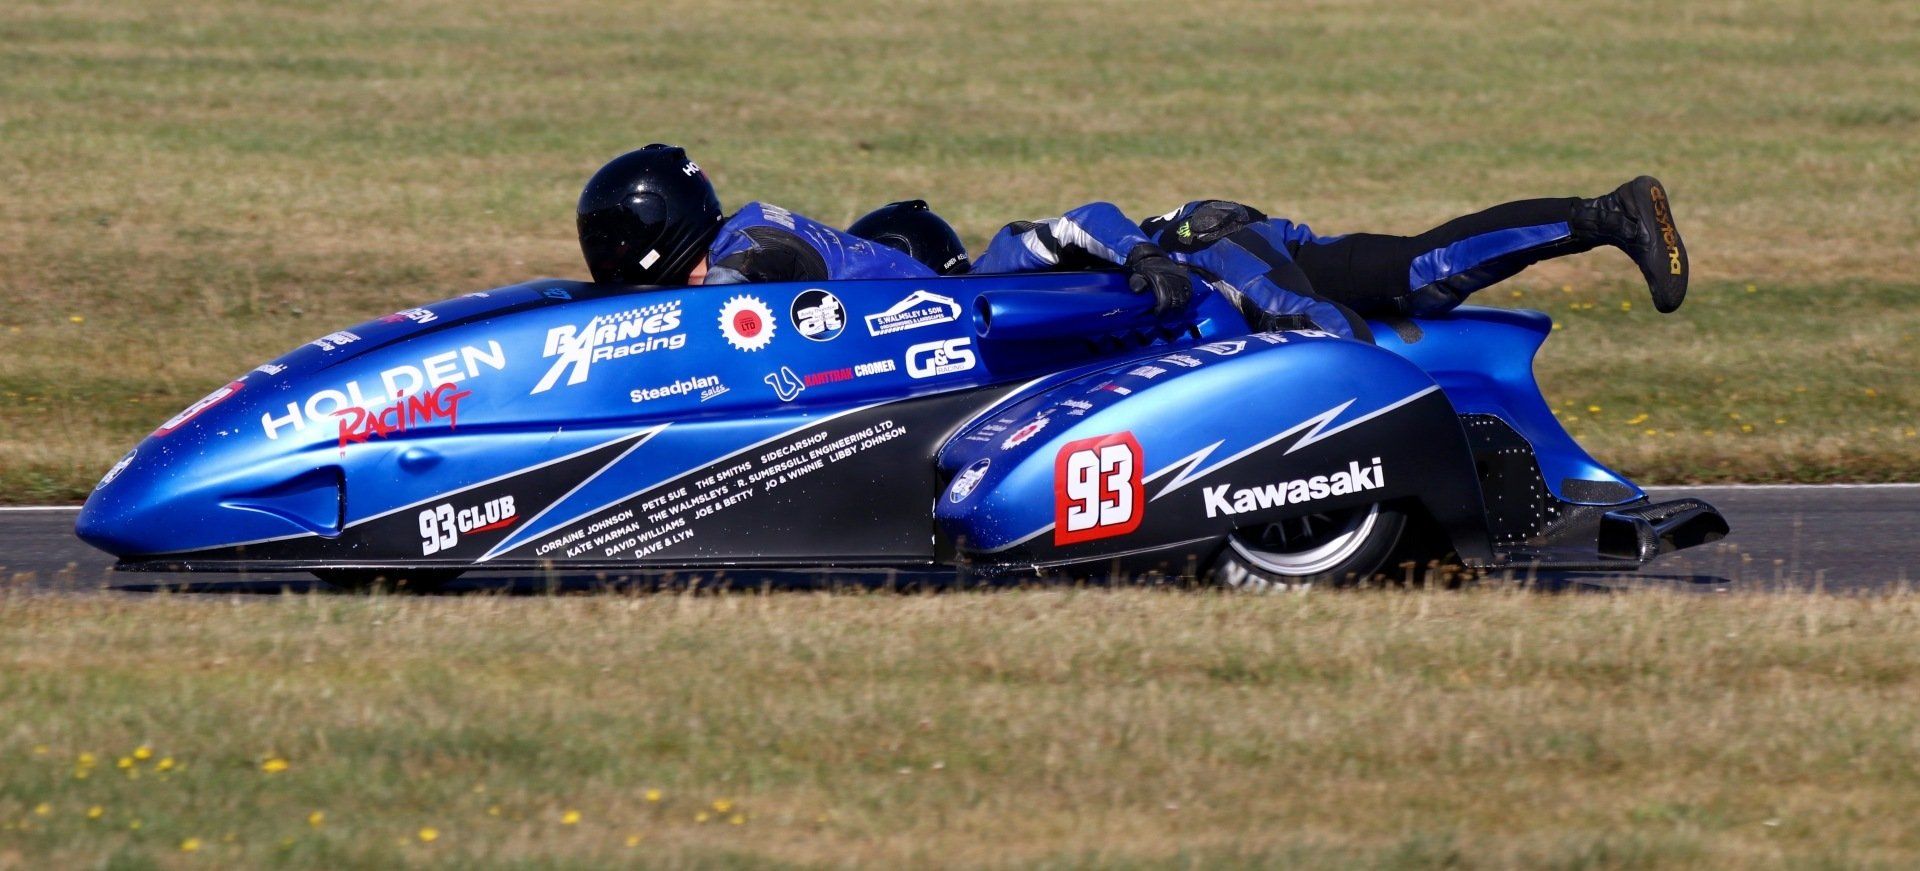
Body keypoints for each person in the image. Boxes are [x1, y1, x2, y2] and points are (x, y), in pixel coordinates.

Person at [968, 178, 1689, 341]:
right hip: (1248, 258)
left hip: (1206, 249)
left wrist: (1147, 256)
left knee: (1300, 316)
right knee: (1424, 278)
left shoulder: (978, 281)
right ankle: (1609, 215)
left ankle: (1390, 441)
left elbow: (1085, 219)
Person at [574, 145, 1188, 304]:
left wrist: (1147, 257)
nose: (608, 251)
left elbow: (721, 317)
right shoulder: (755, 232)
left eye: (615, 235)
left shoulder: (754, 243)